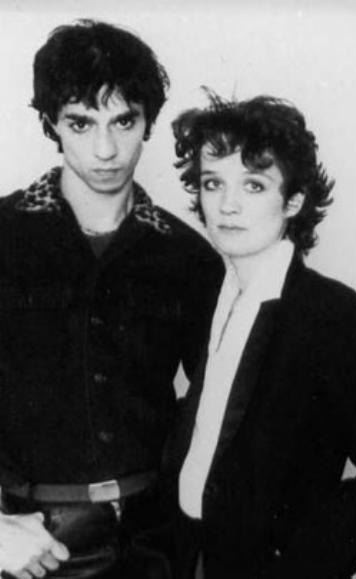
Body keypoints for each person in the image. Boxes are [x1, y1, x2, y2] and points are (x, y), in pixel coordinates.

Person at [0, 19, 222, 579]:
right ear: (51, 123)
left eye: (124, 121)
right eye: (81, 123)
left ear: (148, 123)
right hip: (34, 545)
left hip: (157, 543)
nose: (106, 150)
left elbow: (226, 405)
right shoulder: (3, 235)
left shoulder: (189, 257)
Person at [167, 93, 356, 578]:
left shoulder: (331, 314)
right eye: (213, 183)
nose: (228, 205)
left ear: (294, 200)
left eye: (254, 185)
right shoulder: (207, 296)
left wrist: (310, 563)